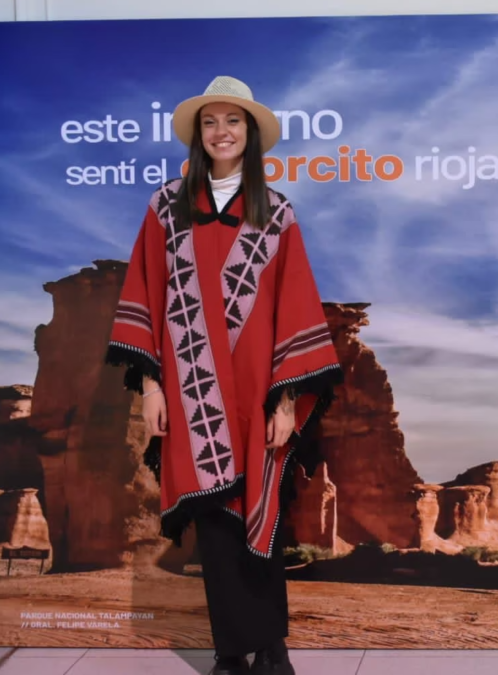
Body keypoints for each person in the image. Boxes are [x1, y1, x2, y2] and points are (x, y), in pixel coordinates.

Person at [106, 76, 343, 675]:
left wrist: (285, 402)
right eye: (210, 122)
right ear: (198, 134)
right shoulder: (166, 208)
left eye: (232, 121)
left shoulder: (275, 212)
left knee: (263, 511)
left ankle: (273, 650)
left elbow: (294, 305)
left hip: (258, 392)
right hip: (192, 395)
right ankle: (232, 653)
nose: (221, 132)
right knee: (214, 523)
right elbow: (146, 293)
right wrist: (152, 387)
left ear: (250, 132)